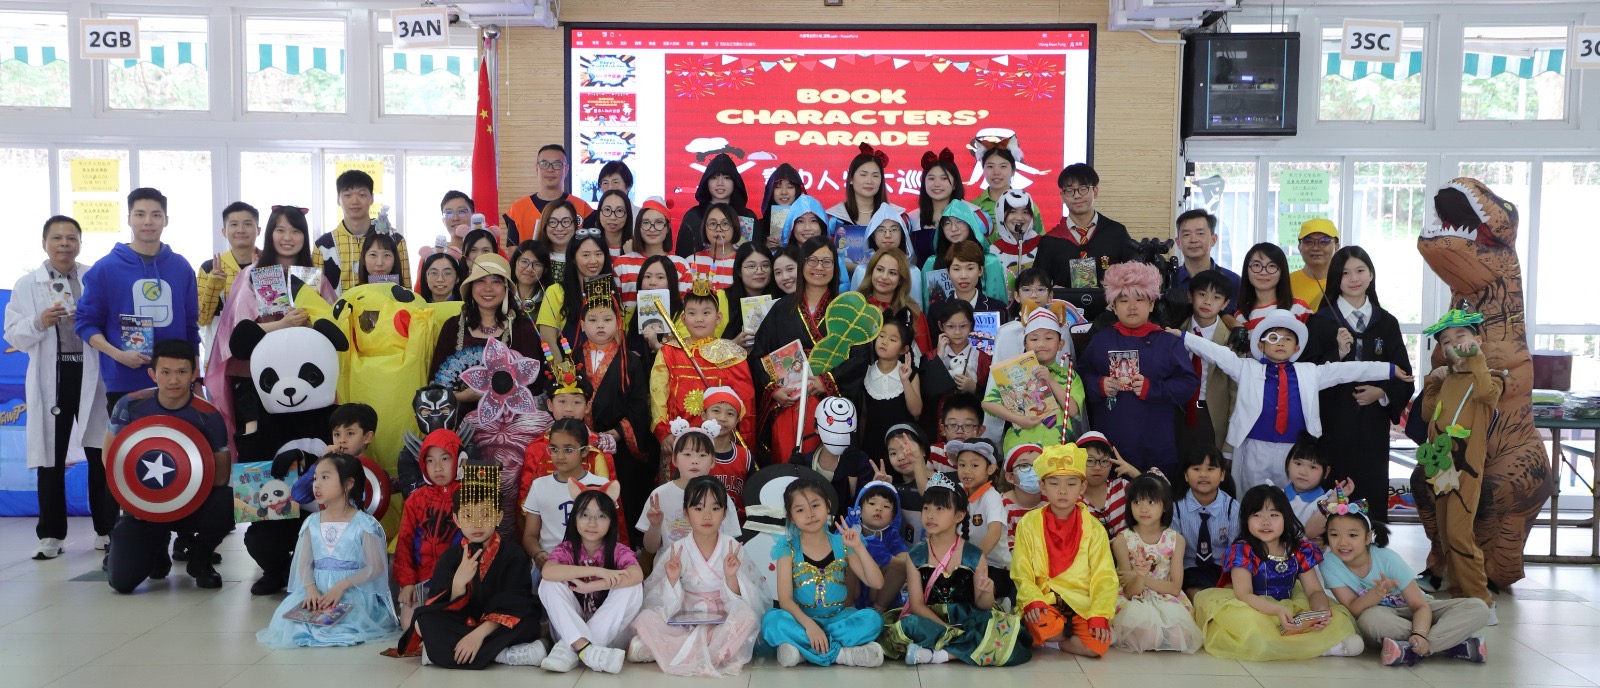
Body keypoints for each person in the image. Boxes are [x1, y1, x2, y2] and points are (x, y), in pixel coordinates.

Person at [1170, 309, 1412, 491]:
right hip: (1255, 447)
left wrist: (1390, 370)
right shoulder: (1246, 368)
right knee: (1252, 498)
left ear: (1296, 348)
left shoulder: (1311, 372)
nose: (1280, 343)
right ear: (1261, 345)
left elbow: (1348, 370)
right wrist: (1183, 336)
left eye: (1287, 339)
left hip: (1295, 451)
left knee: (1292, 500)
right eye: (1273, 337)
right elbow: (1217, 353)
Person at [7, 216, 110, 559]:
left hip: (92, 373)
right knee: (51, 456)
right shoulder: (27, 285)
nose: (64, 244)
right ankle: (51, 535)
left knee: (99, 453)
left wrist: (90, 319)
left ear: (80, 243)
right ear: (44, 243)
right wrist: (40, 321)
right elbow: (13, 335)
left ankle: (106, 529)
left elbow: (111, 321)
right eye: (57, 238)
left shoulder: (94, 278)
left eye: (71, 238)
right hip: (52, 375)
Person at [76, 188, 202, 448]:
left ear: (166, 220)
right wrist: (118, 354)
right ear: (129, 219)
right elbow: (85, 324)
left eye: (156, 215)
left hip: (175, 380)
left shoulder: (181, 267)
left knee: (177, 453)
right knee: (130, 455)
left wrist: (195, 376)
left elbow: (191, 326)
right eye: (140, 214)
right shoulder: (106, 268)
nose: (148, 221)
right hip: (125, 379)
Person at [205, 204, 336, 446]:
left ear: (304, 236)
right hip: (259, 377)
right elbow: (239, 335)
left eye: (295, 231)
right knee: (262, 448)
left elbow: (332, 328)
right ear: (269, 234)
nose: (288, 238)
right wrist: (283, 324)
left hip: (306, 376)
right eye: (280, 230)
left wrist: (311, 325)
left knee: (307, 444)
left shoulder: (313, 277)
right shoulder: (251, 275)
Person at [394, 462, 545, 668]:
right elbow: (437, 604)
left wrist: (478, 635)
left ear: (499, 517)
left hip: (494, 627)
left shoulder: (513, 554)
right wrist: (458, 585)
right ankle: (502, 654)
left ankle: (448, 652)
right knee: (424, 620)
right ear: (456, 519)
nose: (477, 523)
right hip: (463, 621)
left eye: (485, 515)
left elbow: (515, 602)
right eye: (467, 516)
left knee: (528, 621)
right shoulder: (450, 557)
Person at [1301, 247, 1413, 522]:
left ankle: (1372, 543)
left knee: (1371, 493)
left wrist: (1382, 392)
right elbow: (1305, 375)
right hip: (1333, 424)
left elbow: (1404, 374)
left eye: (1360, 270)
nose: (1354, 278)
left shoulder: (1386, 323)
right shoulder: (1321, 322)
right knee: (1334, 492)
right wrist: (1337, 353)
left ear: (1371, 275)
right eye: (1345, 273)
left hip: (1372, 427)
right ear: (1335, 279)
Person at [1192, 485, 1363, 660]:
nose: (1265, 522)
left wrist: (1320, 613)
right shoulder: (1242, 551)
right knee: (1250, 627)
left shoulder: (1299, 550)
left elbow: (1314, 591)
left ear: (1285, 518)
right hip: (1253, 607)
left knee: (1344, 628)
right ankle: (1316, 647)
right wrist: (1276, 610)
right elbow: (1244, 594)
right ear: (1245, 520)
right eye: (1257, 515)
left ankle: (1295, 644)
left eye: (1274, 515)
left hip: (1290, 604)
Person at [1320, 491, 1490, 667]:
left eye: (1352, 535)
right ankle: (1450, 643)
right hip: (1384, 617)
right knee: (1369, 620)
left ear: (1368, 537)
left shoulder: (1387, 559)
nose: (1343, 542)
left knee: (1478, 608)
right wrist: (1374, 595)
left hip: (1419, 610)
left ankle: (1417, 647)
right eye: (1334, 535)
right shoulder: (1329, 564)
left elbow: (1420, 606)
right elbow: (1353, 609)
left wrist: (1420, 633)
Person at [880, 472, 1033, 666]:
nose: (930, 514)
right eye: (926, 508)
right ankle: (962, 647)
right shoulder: (915, 556)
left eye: (940, 508)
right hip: (930, 619)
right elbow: (917, 605)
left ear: (959, 515)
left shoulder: (974, 555)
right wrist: (947, 628)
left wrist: (987, 592)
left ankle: (940, 655)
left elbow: (983, 605)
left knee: (997, 626)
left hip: (967, 618)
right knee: (910, 625)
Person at [258, 452, 400, 647]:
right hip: (318, 591)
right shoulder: (311, 522)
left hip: (353, 591)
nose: (316, 484)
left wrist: (342, 586)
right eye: (315, 478)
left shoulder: (364, 523)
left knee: (346, 624)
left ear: (348, 484)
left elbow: (375, 567)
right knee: (290, 625)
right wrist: (311, 590)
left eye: (325, 477)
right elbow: (304, 563)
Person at [1413, 308, 1501, 615]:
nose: (1454, 344)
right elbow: (1427, 412)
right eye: (1446, 341)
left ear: (1478, 340)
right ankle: (1460, 595)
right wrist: (1433, 381)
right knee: (1446, 533)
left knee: (1460, 534)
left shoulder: (1490, 377)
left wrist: (1476, 359)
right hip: (1440, 466)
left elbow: (1486, 393)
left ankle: (1481, 602)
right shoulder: (1447, 379)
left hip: (1467, 468)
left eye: (1461, 336)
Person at [631, 476, 762, 676]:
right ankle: (708, 653)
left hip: (721, 621)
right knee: (646, 618)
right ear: (686, 513)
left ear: (725, 513)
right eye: (698, 509)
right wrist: (672, 580)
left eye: (715, 508)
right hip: (686, 620)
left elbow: (748, 599)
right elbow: (656, 599)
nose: (707, 516)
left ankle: (672, 651)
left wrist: (731, 577)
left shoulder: (732, 547)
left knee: (747, 618)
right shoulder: (677, 549)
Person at [1077, 261, 1198, 474]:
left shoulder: (1167, 342)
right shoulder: (1101, 340)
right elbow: (1079, 376)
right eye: (1123, 300)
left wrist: (1153, 389)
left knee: (1155, 491)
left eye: (1140, 299)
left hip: (1156, 440)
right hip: (1111, 441)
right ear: (1113, 306)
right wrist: (1099, 385)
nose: (1132, 306)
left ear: (1152, 304)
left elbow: (1189, 384)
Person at [751, 237, 858, 463]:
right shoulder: (781, 308)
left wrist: (826, 381)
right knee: (787, 463)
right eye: (812, 260)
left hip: (830, 406)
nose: (819, 267)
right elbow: (758, 354)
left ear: (835, 267)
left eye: (827, 262)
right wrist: (774, 390)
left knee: (825, 465)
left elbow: (859, 359)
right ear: (802, 264)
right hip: (787, 402)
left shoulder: (847, 310)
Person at [762, 477, 887, 668]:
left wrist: (859, 547)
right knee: (771, 621)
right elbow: (785, 600)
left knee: (873, 620)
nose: (810, 514)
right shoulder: (787, 549)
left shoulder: (843, 544)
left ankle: (804, 652)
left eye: (815, 505)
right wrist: (810, 626)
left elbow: (877, 583)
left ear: (827, 505)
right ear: (790, 517)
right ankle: (842, 655)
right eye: (800, 510)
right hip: (802, 621)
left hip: (838, 620)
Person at [1010, 443, 1118, 658]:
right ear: (1042, 486)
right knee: (1041, 623)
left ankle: (1056, 643)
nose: (1062, 490)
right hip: (1045, 601)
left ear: (1082, 487)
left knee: (1096, 646)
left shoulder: (1095, 528)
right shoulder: (1029, 523)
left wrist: (1099, 614)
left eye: (1071, 483)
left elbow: (1104, 576)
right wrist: (1032, 600)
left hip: (1081, 603)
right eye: (1053, 483)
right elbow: (1022, 571)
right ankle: (1057, 635)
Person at [575, 279, 657, 540]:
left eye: (607, 319)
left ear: (618, 322)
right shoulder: (571, 360)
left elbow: (638, 406)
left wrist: (615, 434)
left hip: (617, 448)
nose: (600, 325)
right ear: (582, 324)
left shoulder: (630, 361)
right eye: (593, 319)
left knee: (621, 500)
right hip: (580, 445)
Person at [538, 490, 645, 673]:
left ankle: (570, 650)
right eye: (585, 515)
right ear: (574, 519)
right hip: (568, 625)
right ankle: (585, 649)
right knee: (549, 583)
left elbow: (636, 574)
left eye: (601, 516)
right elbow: (548, 571)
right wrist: (597, 571)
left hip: (610, 632)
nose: (592, 523)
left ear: (611, 521)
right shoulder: (566, 549)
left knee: (631, 586)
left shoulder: (618, 550)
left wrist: (592, 585)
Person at [650, 275, 756, 447]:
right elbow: (658, 394)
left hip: (720, 441)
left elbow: (745, 402)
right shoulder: (669, 351)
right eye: (692, 313)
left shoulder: (731, 353)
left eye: (706, 313)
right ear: (683, 319)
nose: (699, 319)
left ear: (718, 317)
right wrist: (663, 432)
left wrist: (741, 441)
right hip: (678, 438)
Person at [430, 254, 543, 412]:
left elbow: (535, 385)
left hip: (510, 419)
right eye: (481, 281)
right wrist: (461, 397)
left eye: (496, 281)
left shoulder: (522, 328)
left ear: (506, 288)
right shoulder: (453, 327)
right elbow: (435, 385)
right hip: (457, 417)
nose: (488, 288)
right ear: (471, 287)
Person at [1111, 473, 1203, 653]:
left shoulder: (1176, 539)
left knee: (1181, 637)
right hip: (1135, 599)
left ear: (1166, 505)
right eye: (1137, 502)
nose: (1143, 509)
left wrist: (1143, 577)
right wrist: (1139, 578)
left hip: (1166, 597)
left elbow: (1174, 588)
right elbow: (1129, 592)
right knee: (1149, 635)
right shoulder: (1123, 540)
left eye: (1151, 502)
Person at [1035, 163, 1137, 321]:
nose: (1076, 196)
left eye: (1083, 189)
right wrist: (1051, 291)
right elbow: (1038, 284)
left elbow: (1135, 276)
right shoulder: (1050, 241)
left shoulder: (1116, 233)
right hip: (1064, 319)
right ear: (1062, 196)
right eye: (1070, 190)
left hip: (1111, 318)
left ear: (1095, 191)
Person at [521, 418, 621, 572]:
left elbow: (614, 535)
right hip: (551, 565)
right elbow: (530, 535)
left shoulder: (600, 485)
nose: (560, 456)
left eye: (568, 450)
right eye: (554, 449)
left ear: (584, 451)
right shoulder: (539, 486)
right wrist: (538, 554)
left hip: (593, 566)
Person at [982, 303, 1083, 453]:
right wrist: (1017, 419)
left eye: (1048, 338)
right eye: (1034, 339)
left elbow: (1074, 411)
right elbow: (988, 403)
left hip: (1058, 449)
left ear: (1060, 344)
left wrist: (1050, 380)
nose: (1041, 344)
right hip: (1020, 447)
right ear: (1025, 344)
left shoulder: (1069, 375)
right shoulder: (1014, 373)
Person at [639, 419, 744, 554]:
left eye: (702, 455)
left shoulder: (720, 496)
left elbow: (729, 544)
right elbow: (651, 548)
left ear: (713, 461)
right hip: (670, 565)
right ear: (674, 459)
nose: (695, 461)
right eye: (687, 454)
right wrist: (655, 525)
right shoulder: (659, 496)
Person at [394, 429, 463, 631]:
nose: (438, 467)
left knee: (447, 626)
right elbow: (404, 543)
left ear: (459, 460)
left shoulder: (468, 495)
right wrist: (407, 583)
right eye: (430, 460)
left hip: (457, 580)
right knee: (410, 627)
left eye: (445, 459)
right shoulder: (416, 499)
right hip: (421, 579)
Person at [1174, 269, 1240, 457]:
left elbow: (1236, 393)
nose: (1208, 302)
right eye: (1202, 294)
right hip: (1179, 411)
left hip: (1212, 414)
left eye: (1216, 297)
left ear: (1225, 304)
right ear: (1190, 296)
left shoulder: (1231, 340)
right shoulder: (1175, 331)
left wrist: (1230, 447)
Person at [839, 318, 921, 462]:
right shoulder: (865, 372)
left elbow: (916, 411)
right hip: (872, 445)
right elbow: (864, 414)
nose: (884, 342)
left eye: (893, 339)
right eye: (881, 336)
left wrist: (905, 380)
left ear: (904, 349)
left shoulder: (911, 373)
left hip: (902, 446)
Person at [316, 169, 409, 293]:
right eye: (347, 195)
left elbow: (407, 290)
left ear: (371, 198)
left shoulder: (395, 239)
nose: (355, 201)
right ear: (338, 199)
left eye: (362, 195)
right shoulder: (323, 246)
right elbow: (314, 295)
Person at [1172, 447, 1237, 599]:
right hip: (1189, 567)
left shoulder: (1232, 508)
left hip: (1223, 567)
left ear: (1222, 474)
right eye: (1196, 469)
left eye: (1210, 469)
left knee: (1229, 595)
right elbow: (1173, 552)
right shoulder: (1176, 509)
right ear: (1186, 475)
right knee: (1200, 597)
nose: (1203, 474)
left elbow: (1235, 551)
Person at [947, 440, 1011, 589]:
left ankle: (1003, 599)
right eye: (962, 465)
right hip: (963, 562)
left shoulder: (992, 497)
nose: (966, 471)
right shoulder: (957, 491)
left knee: (971, 589)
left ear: (990, 469)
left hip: (995, 567)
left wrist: (970, 561)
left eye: (974, 465)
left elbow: (994, 533)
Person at [537, 231, 614, 352]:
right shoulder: (556, 292)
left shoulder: (611, 292)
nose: (593, 261)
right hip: (566, 362)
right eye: (586, 255)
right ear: (573, 258)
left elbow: (618, 339)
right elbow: (549, 342)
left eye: (598, 254)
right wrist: (564, 365)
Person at [503, 144, 594, 245]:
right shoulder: (517, 209)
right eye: (544, 164)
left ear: (566, 169)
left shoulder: (583, 208)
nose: (550, 169)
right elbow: (513, 252)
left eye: (557, 164)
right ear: (537, 168)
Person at [613, 197, 689, 317]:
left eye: (659, 222)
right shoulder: (621, 264)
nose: (652, 229)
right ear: (638, 226)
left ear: (668, 227)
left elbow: (686, 310)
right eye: (646, 223)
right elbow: (614, 308)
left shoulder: (680, 265)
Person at [1160, 209, 1242, 317]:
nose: (1193, 240)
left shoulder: (1234, 281)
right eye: (1186, 234)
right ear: (1178, 242)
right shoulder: (1168, 280)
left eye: (1200, 233)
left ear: (1213, 239)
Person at [845, 481, 910, 610]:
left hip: (877, 593)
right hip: (853, 591)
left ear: (893, 516)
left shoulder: (891, 535)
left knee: (900, 567)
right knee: (845, 561)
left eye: (886, 506)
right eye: (872, 503)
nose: (879, 508)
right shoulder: (848, 529)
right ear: (859, 509)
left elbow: (907, 563)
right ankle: (848, 610)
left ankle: (879, 610)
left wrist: (887, 559)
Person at [923, 206, 1007, 306]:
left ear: (970, 223)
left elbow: (998, 306)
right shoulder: (931, 263)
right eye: (947, 223)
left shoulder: (990, 262)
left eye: (959, 221)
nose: (954, 228)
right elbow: (928, 308)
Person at [197, 202, 262, 329]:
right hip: (220, 339)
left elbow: (278, 312)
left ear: (258, 230)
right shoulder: (209, 268)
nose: (241, 230)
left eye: (248, 224)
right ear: (224, 231)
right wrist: (214, 283)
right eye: (234, 224)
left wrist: (260, 276)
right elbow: (201, 319)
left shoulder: (270, 263)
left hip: (264, 336)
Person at [676, 153, 756, 256]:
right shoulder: (694, 215)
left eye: (726, 178)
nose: (720, 183)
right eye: (714, 177)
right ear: (706, 181)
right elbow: (682, 256)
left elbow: (758, 255)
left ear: (735, 182)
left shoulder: (748, 216)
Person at [915, 148, 976, 260]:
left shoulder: (973, 214)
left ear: (955, 183)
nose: (937, 184)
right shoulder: (912, 219)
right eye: (931, 178)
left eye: (944, 178)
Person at [701, 386, 755, 514]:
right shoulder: (692, 454)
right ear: (703, 415)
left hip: (737, 524)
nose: (722, 418)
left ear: (737, 421)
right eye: (716, 411)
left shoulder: (745, 457)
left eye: (730, 413)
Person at [1079, 431, 1142, 538]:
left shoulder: (1122, 486)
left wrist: (1135, 474)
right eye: (1089, 460)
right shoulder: (1072, 498)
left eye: (1104, 461)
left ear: (1111, 464)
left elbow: (1158, 497)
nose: (1097, 467)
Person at [1235, 242, 1310, 332]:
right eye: (1256, 265)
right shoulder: (1240, 317)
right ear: (1246, 270)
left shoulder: (1299, 308)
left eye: (1272, 266)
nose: (1263, 272)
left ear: (1282, 272)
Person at [719, 242, 779, 346]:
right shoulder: (720, 299)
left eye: (765, 265)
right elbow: (704, 343)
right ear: (739, 271)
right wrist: (733, 344)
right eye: (751, 266)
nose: (759, 271)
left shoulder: (780, 300)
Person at [825, 143, 889, 233]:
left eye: (875, 176)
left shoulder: (895, 216)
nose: (869, 181)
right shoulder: (834, 218)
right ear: (851, 178)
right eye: (863, 175)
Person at [990, 189, 1042, 289]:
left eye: (1025, 212)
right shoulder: (993, 253)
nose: (1019, 217)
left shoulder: (1043, 246)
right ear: (1001, 214)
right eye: (1013, 212)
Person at [1283, 437, 1334, 539]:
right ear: (1288, 463)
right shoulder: (1274, 496)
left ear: (1326, 472)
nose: (1303, 472)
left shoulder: (1328, 502)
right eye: (1298, 464)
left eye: (1313, 467)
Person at [1291, 218, 1340, 312]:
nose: (1316, 248)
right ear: (1299, 247)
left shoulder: (1345, 283)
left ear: (1336, 247)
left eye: (1324, 241)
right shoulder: (1285, 284)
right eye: (1308, 241)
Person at [754, 162, 806, 250]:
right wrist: (764, 248)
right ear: (771, 190)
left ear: (797, 190)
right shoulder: (759, 226)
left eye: (790, 187)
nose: (784, 192)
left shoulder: (807, 223)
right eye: (778, 187)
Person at [536, 199, 583, 283]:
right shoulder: (536, 258)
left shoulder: (584, 259)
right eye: (553, 222)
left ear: (575, 224)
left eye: (565, 222)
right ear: (544, 225)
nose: (559, 228)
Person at [508, 241, 551, 319]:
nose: (529, 269)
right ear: (515, 263)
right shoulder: (503, 294)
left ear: (545, 270)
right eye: (524, 262)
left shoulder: (550, 299)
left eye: (537, 264)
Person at [587, 188, 634, 255]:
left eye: (619, 211)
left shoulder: (636, 247)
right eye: (607, 210)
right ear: (599, 213)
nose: (612, 217)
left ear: (628, 214)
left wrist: (632, 256)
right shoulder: (587, 246)